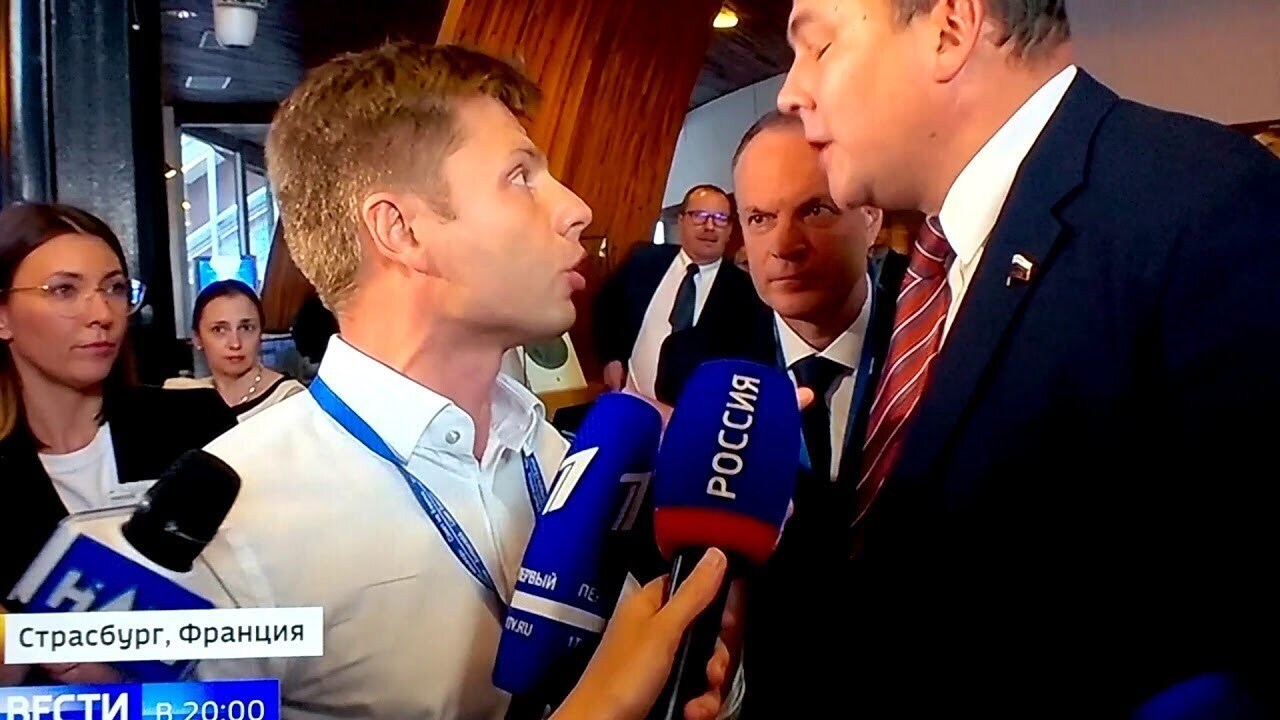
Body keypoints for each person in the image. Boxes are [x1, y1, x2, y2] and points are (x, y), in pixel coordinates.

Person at [195, 42, 732, 720]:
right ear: (400, 230)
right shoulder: (232, 535)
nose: (576, 208)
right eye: (520, 176)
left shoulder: (568, 462)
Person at [779, 0, 1280, 716]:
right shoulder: (930, 266)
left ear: (950, 30)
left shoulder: (1205, 206)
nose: (790, 91)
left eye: (819, 47)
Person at [658, 111, 904, 718]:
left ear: (871, 216)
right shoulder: (697, 365)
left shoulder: (937, 340)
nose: (784, 246)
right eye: (760, 218)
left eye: (815, 209)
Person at [0, 202, 236, 683]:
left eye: (115, 288)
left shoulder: (197, 427)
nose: (102, 314)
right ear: (2, 315)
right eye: (64, 290)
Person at [593, 185, 765, 399]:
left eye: (720, 219)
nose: (710, 226)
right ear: (681, 221)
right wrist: (611, 358)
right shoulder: (644, 261)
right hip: (628, 400)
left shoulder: (747, 292)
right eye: (699, 216)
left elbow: (749, 364)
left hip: (695, 413)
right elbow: (607, 306)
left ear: (730, 229)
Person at [165, 280, 304, 421]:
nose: (235, 344)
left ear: (260, 333)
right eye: (219, 330)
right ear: (197, 338)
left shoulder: (290, 399)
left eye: (246, 328)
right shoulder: (182, 396)